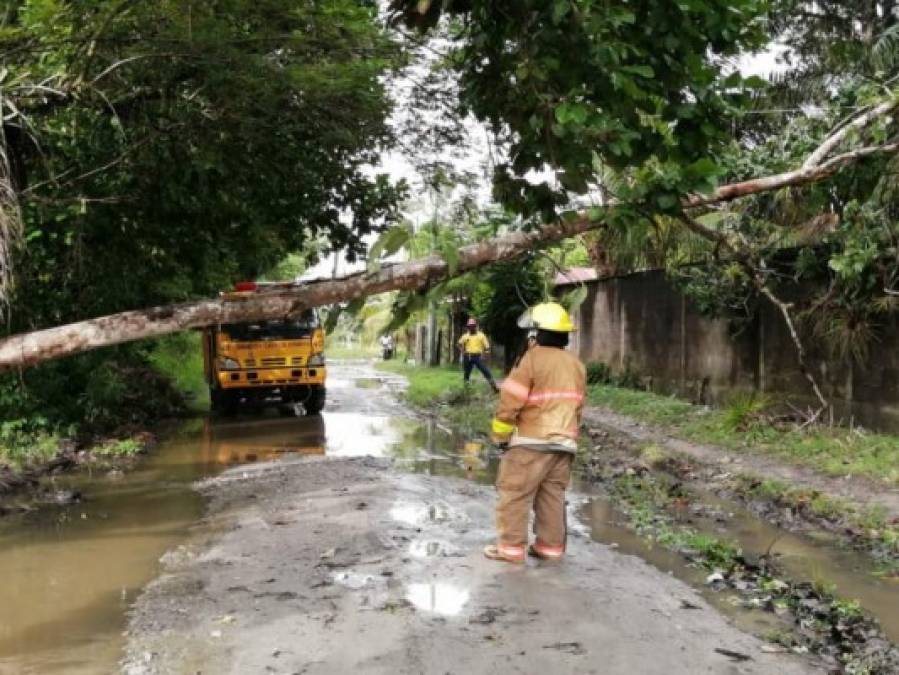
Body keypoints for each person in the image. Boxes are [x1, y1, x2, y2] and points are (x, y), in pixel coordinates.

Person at [484, 302, 585, 564]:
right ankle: (549, 548)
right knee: (552, 497)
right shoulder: (576, 364)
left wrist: (501, 435)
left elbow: (511, 401)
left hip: (531, 442)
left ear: (536, 333)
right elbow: (578, 406)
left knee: (514, 492)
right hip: (564, 444)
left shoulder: (532, 360)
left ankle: (510, 548)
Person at [457, 318, 498, 392]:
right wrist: (462, 351)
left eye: (473, 326)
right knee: (466, 374)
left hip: (478, 356)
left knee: (486, 372)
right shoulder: (465, 336)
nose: (471, 327)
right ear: (468, 327)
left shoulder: (481, 335)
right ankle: (466, 390)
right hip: (468, 356)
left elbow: (487, 347)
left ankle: (494, 387)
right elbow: (459, 344)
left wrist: (486, 354)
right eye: (470, 326)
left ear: (475, 326)